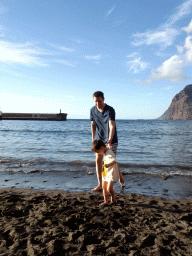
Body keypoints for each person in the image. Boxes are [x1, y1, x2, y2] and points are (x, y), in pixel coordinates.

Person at [90, 91, 124, 191]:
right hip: (99, 140)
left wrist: (109, 139)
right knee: (98, 160)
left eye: (99, 101)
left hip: (111, 140)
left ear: (103, 99)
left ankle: (119, 177)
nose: (97, 103)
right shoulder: (92, 110)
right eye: (95, 101)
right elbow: (93, 124)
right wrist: (93, 138)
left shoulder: (110, 110)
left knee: (111, 161)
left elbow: (112, 125)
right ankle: (100, 184)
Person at [91, 139, 119, 205]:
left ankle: (113, 199)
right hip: (105, 172)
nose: (98, 154)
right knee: (104, 187)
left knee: (109, 189)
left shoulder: (109, 153)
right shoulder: (104, 150)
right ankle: (106, 201)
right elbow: (105, 145)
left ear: (101, 148)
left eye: (98, 152)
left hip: (111, 173)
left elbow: (114, 161)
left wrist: (108, 165)